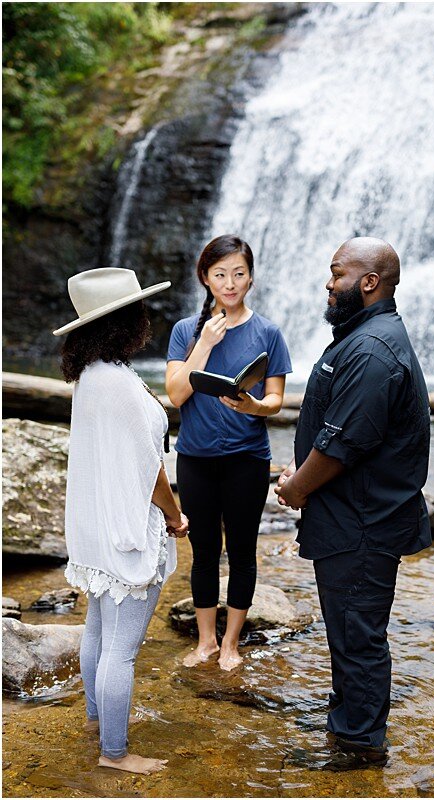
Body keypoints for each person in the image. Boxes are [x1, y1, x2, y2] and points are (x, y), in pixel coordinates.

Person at [274, 237, 430, 770]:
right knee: (348, 630)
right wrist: (303, 473)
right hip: (354, 515)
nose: (327, 282)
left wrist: (297, 488)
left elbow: (345, 442)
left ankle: (360, 748)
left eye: (337, 272)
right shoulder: (364, 337)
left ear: (369, 281)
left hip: (362, 522)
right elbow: (340, 436)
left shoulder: (370, 349)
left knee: (358, 635)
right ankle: (348, 728)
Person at [54, 268, 189, 775]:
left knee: (97, 629)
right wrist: (175, 517)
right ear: (125, 323)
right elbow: (149, 471)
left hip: (93, 526)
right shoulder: (122, 386)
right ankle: (115, 752)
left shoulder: (92, 376)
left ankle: (96, 720)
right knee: (123, 650)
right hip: (126, 530)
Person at [164, 234, 292, 670]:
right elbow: (176, 396)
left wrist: (254, 405)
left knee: (241, 549)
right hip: (196, 458)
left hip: (247, 459)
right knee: (202, 550)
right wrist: (204, 344)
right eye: (220, 274)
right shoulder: (186, 331)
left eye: (238, 273)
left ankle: (232, 643)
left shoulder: (268, 332)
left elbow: (276, 399)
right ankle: (206, 642)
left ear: (250, 278)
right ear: (206, 278)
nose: (230, 283)